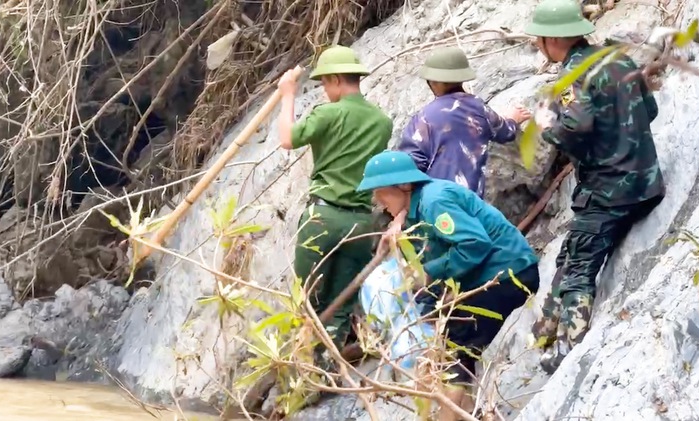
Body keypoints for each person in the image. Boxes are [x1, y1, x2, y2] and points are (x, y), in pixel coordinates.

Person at [523, 0, 666, 374]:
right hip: (646, 181)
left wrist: (543, 121)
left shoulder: (572, 76)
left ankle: (566, 352)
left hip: (609, 192)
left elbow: (573, 128)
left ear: (551, 41)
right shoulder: (618, 59)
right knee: (571, 251)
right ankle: (545, 331)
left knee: (579, 268)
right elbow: (649, 111)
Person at [356, 150, 540, 419]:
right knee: (438, 339)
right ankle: (472, 411)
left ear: (404, 186)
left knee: (452, 347)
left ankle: (456, 413)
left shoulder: (435, 201)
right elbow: (421, 264)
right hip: (482, 279)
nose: (378, 201)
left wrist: (427, 274)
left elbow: (474, 245)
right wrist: (393, 244)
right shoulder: (416, 212)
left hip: (508, 274)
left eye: (381, 193)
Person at [276, 45, 393, 354]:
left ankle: (301, 377)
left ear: (337, 79)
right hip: (360, 223)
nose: (325, 90)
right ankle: (327, 372)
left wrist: (288, 93)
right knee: (340, 307)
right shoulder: (382, 122)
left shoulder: (328, 113)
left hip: (322, 219)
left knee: (307, 301)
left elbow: (287, 138)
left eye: (325, 83)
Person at [391, 46, 531, 230]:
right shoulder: (478, 108)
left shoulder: (423, 118)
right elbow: (506, 132)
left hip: (435, 203)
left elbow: (410, 165)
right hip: (470, 203)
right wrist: (513, 118)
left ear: (434, 82)